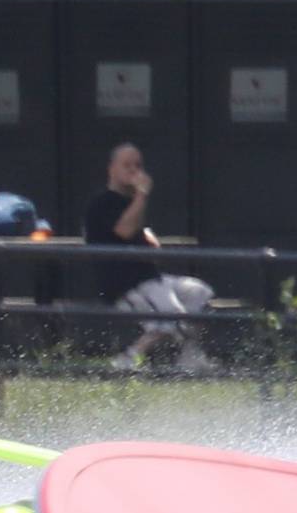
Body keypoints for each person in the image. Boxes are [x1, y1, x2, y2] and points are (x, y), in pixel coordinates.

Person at [83, 143, 217, 374]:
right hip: (125, 283)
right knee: (172, 314)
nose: (134, 171)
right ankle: (128, 359)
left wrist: (147, 236)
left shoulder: (131, 202)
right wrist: (142, 194)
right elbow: (123, 230)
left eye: (137, 165)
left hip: (150, 277)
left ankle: (189, 356)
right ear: (111, 169)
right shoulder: (102, 202)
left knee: (199, 293)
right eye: (127, 165)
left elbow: (140, 235)